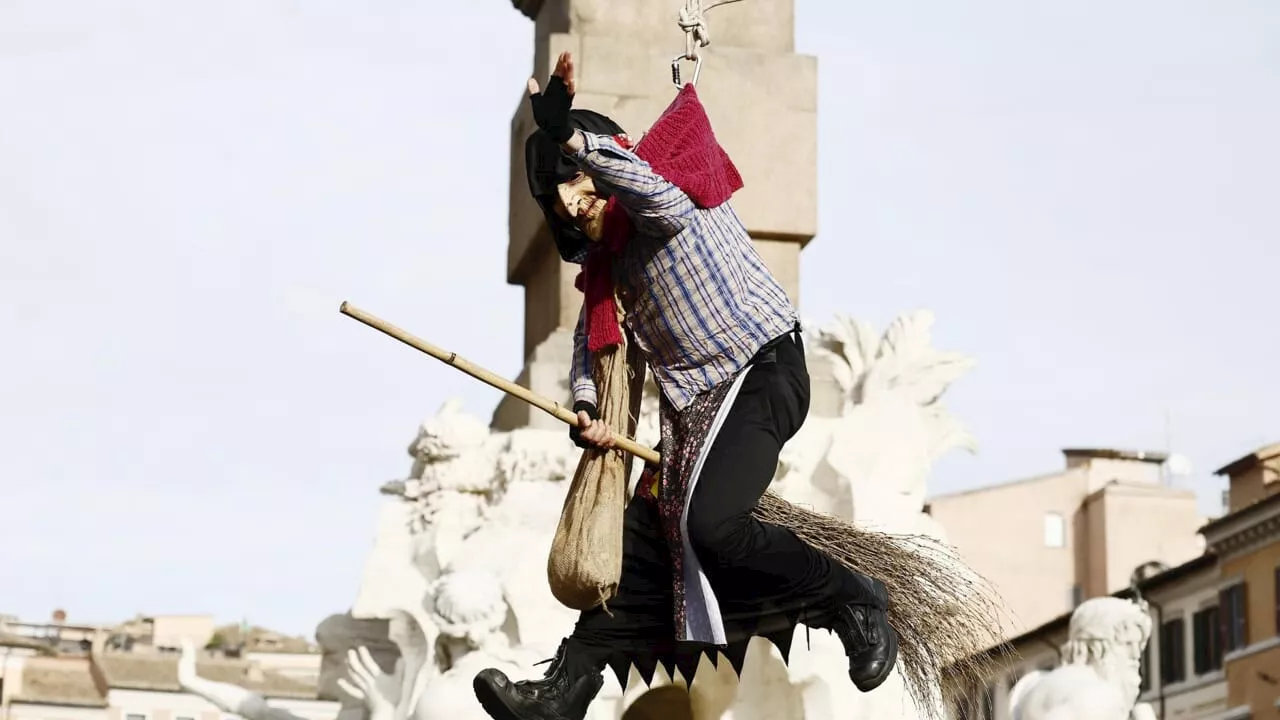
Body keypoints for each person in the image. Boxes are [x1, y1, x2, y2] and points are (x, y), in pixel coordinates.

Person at [472, 52, 897, 720]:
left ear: (606, 168)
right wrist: (586, 410)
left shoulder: (665, 202)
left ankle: (854, 596)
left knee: (711, 524)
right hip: (695, 413)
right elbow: (592, 350)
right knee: (646, 543)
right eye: (556, 195)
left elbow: (644, 188)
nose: (570, 202)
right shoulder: (607, 274)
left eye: (577, 182)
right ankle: (565, 692)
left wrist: (572, 138)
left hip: (762, 373)